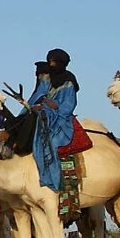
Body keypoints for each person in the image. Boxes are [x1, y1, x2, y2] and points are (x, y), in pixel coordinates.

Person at [26, 49, 79, 192]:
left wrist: (55, 107)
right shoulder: (46, 77)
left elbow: (69, 104)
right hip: (41, 111)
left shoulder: (68, 81)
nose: (51, 64)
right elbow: (38, 94)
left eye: (54, 62)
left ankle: (52, 177)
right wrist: (38, 103)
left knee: (52, 140)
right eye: (50, 61)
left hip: (60, 117)